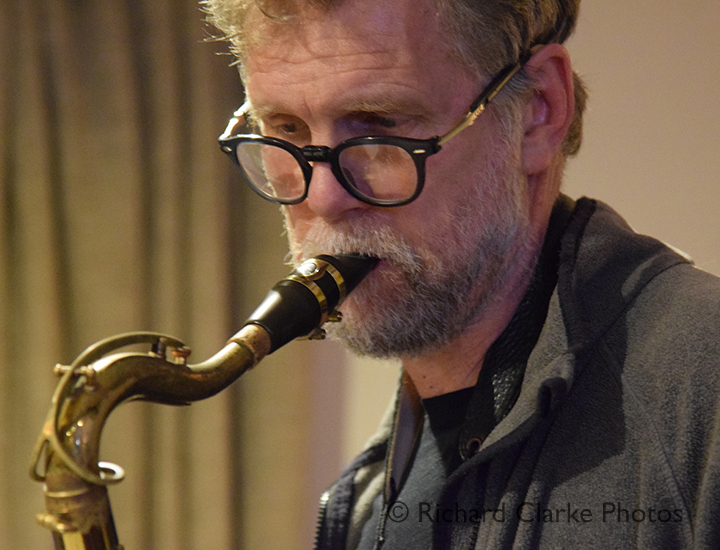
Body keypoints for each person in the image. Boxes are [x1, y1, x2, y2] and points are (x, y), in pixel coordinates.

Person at [206, 0, 720, 548]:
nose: (325, 199)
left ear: (539, 111)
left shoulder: (702, 391)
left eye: (381, 125)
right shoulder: (372, 493)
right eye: (285, 129)